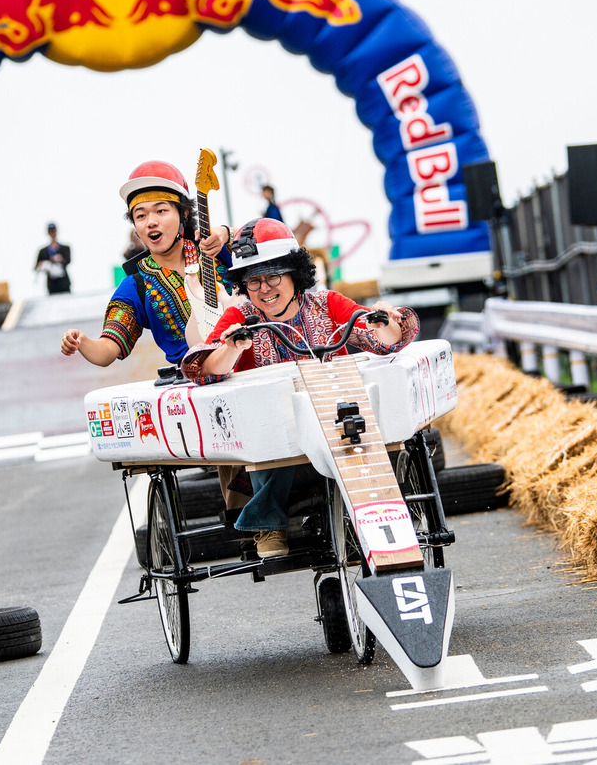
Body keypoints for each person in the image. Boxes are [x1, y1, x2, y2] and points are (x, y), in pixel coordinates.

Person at [180, 218, 419, 557]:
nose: (264, 288)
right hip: (279, 446)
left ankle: (387, 514)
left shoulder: (329, 304)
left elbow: (382, 339)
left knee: (381, 433)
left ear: (295, 273)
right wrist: (231, 348)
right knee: (273, 434)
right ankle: (267, 525)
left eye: (274, 275)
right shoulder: (239, 317)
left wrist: (386, 322)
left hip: (338, 426)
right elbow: (202, 369)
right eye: (253, 280)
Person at [61, 160, 237, 368]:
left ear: (184, 214)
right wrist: (82, 341)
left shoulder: (216, 248)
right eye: (141, 215)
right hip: (194, 384)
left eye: (161, 211)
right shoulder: (136, 286)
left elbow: (269, 239)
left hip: (250, 365)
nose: (151, 221)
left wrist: (226, 232)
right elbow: (107, 350)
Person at [35, 223, 72, 294]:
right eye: (50, 231)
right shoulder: (43, 251)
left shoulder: (65, 248)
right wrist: (45, 263)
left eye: (53, 231)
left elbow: (68, 261)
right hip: (52, 285)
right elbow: (36, 267)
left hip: (64, 283)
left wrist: (60, 259)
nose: (52, 233)